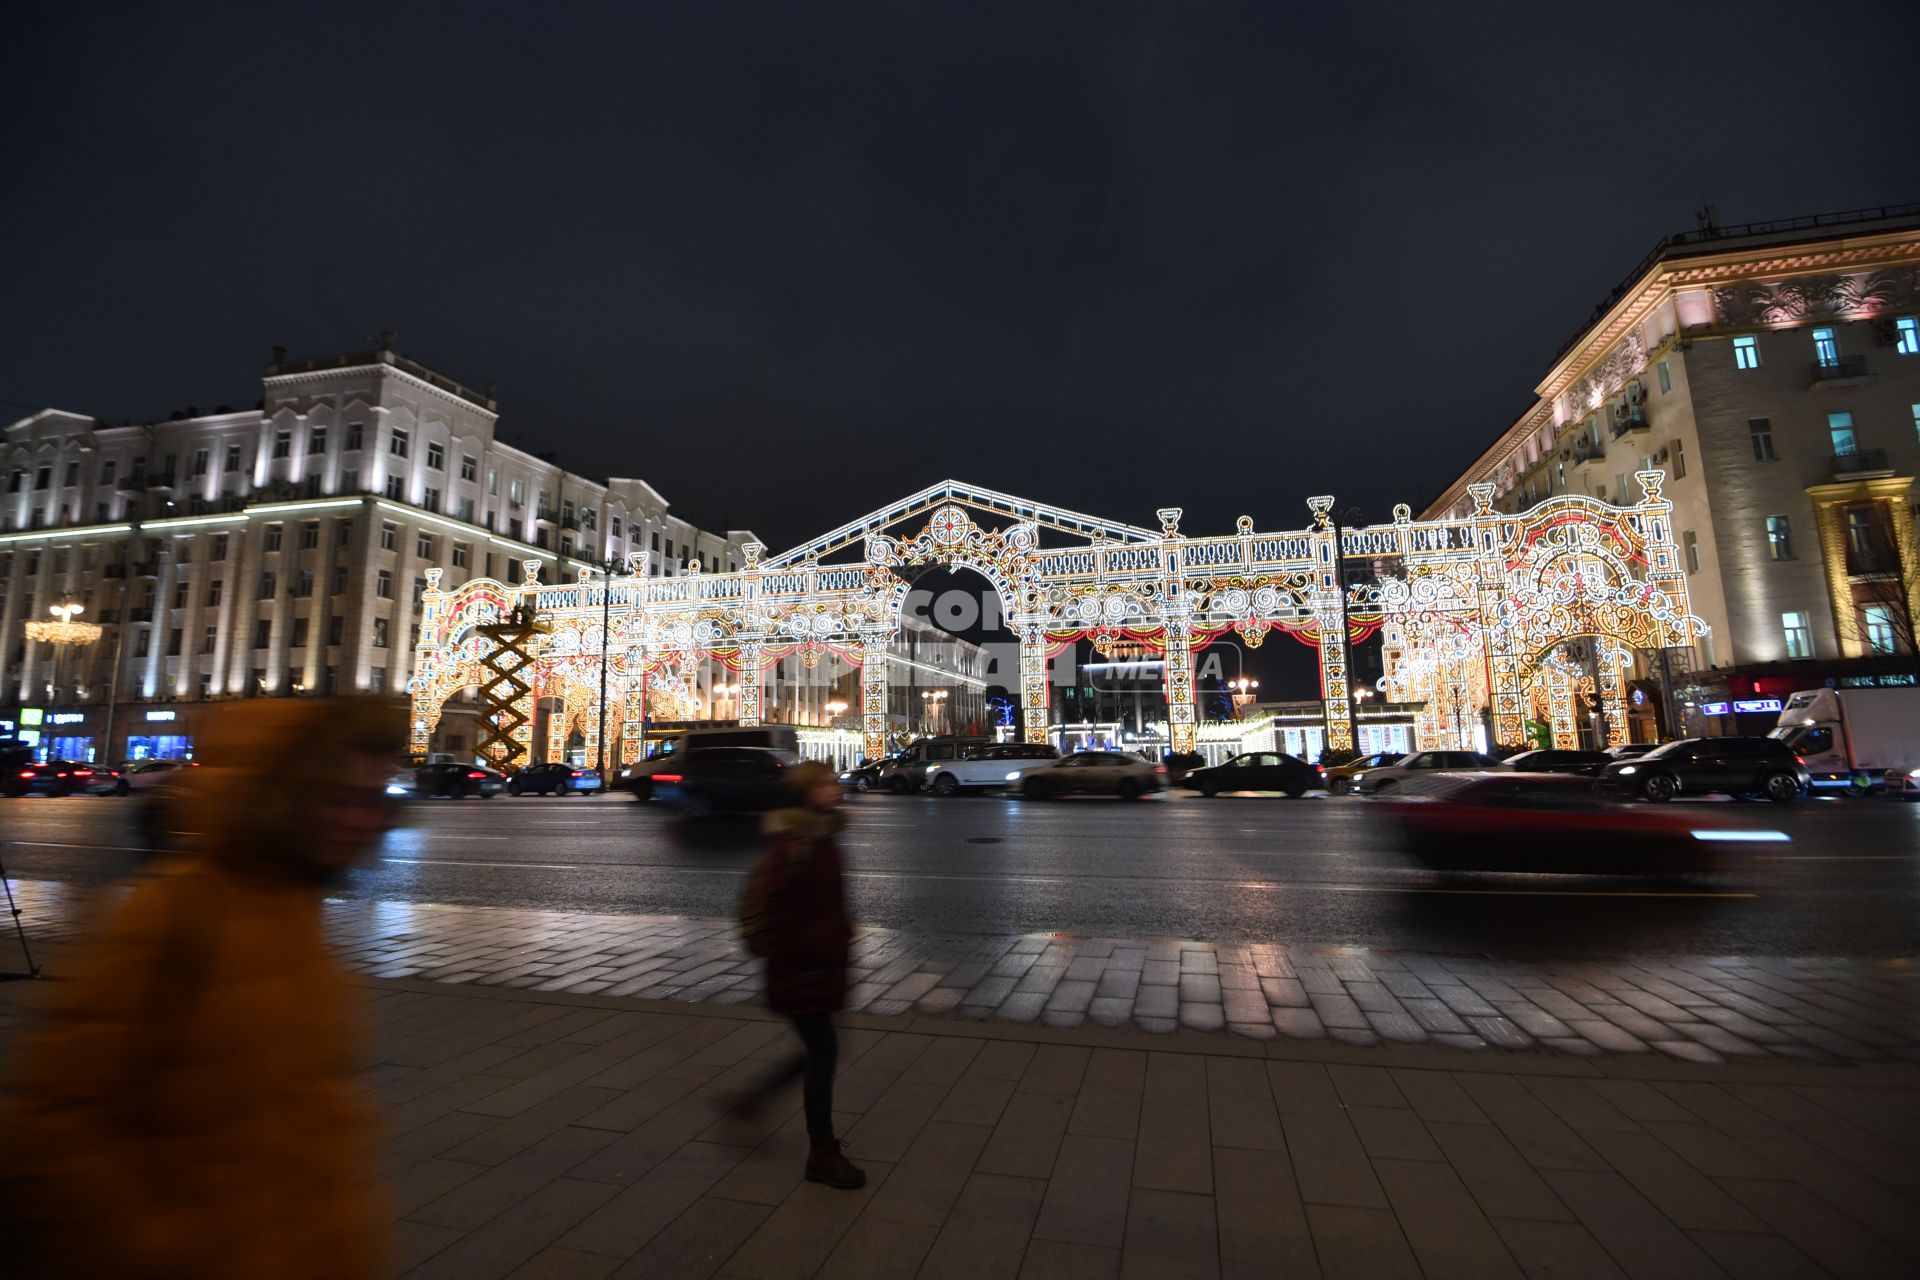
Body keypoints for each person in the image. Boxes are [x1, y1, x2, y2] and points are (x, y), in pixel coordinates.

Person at [0, 699, 401, 1279]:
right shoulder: (172, 915)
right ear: (283, 796)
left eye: (373, 802)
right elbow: (57, 1129)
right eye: (336, 799)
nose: (358, 822)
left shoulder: (300, 917)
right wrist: (163, 1247)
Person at [729, 759, 864, 1189]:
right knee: (823, 1053)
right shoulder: (797, 845)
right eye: (826, 783)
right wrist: (818, 947)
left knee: (821, 1051)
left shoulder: (822, 837)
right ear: (807, 792)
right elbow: (776, 910)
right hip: (803, 968)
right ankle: (820, 1152)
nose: (835, 787)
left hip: (818, 966)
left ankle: (753, 1101)